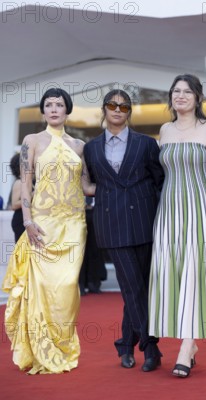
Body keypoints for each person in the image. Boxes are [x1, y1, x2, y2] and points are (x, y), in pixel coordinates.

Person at [148, 74, 206, 378]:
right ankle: (187, 339)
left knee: (198, 271)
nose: (181, 96)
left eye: (187, 91)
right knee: (173, 272)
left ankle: (187, 345)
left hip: (202, 209)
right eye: (176, 91)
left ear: (198, 97)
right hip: (170, 210)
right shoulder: (165, 130)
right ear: (170, 97)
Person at [3, 87, 95, 374]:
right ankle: (42, 349)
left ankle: (63, 345)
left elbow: (87, 187)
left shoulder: (79, 146)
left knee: (68, 287)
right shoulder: (31, 141)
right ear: (43, 111)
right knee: (42, 287)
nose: (54, 109)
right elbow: (26, 184)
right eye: (48, 105)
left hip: (73, 225)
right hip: (42, 224)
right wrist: (28, 221)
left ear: (67, 110)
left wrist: (123, 184)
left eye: (59, 104)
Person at [84, 89, 164, 372]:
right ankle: (151, 346)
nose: (118, 110)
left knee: (138, 287)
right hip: (111, 222)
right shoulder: (91, 148)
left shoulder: (146, 144)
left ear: (129, 111)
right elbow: (91, 182)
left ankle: (126, 345)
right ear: (104, 109)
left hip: (144, 220)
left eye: (124, 106)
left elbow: (160, 181)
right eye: (112, 105)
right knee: (132, 285)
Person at [8, 153, 25, 242]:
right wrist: (34, 193)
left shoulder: (30, 181)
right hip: (21, 220)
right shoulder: (19, 182)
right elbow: (14, 205)